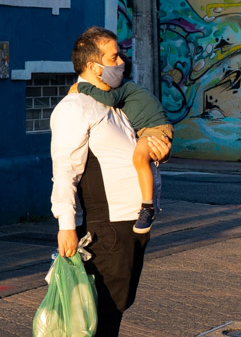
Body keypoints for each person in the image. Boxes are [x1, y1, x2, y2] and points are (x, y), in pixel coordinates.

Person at [49, 26, 170, 337]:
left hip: (131, 222)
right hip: (108, 224)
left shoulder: (111, 106)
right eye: (114, 57)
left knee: (116, 305)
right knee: (103, 307)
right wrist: (66, 224)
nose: (122, 62)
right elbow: (64, 170)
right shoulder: (74, 109)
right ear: (94, 66)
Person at [74, 63, 173, 233]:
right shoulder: (124, 90)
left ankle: (147, 208)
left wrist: (83, 87)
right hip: (146, 130)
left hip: (154, 129)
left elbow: (109, 100)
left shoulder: (125, 87)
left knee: (139, 158)